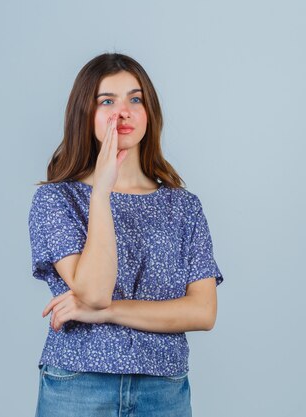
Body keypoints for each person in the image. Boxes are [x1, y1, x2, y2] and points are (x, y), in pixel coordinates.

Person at [27, 52, 224, 417]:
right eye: (107, 101)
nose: (124, 112)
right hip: (79, 383)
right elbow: (93, 290)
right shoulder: (57, 199)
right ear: (84, 115)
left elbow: (203, 311)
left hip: (163, 389)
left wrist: (106, 313)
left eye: (135, 99)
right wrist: (101, 193)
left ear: (149, 112)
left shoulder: (183, 207)